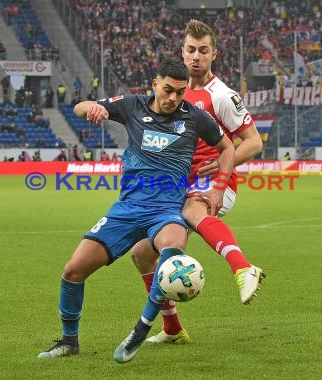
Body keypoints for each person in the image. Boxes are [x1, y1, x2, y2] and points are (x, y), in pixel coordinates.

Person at [37, 59, 235, 363]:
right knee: (73, 270)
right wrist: (93, 108)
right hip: (127, 209)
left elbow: (228, 147)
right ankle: (68, 341)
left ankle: (140, 330)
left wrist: (219, 188)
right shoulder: (131, 105)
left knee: (172, 248)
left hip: (167, 210)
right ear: (154, 84)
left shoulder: (195, 117)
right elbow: (80, 106)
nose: (173, 98)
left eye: (180, 93)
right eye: (168, 90)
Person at [129, 19, 265, 345]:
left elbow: (253, 142)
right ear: (182, 51)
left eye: (203, 51)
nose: (196, 57)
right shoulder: (175, 92)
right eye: (190, 50)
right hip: (180, 185)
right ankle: (173, 329)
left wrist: (219, 166)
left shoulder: (221, 95)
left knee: (193, 211)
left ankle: (243, 268)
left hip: (216, 182)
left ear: (213, 55)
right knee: (141, 253)